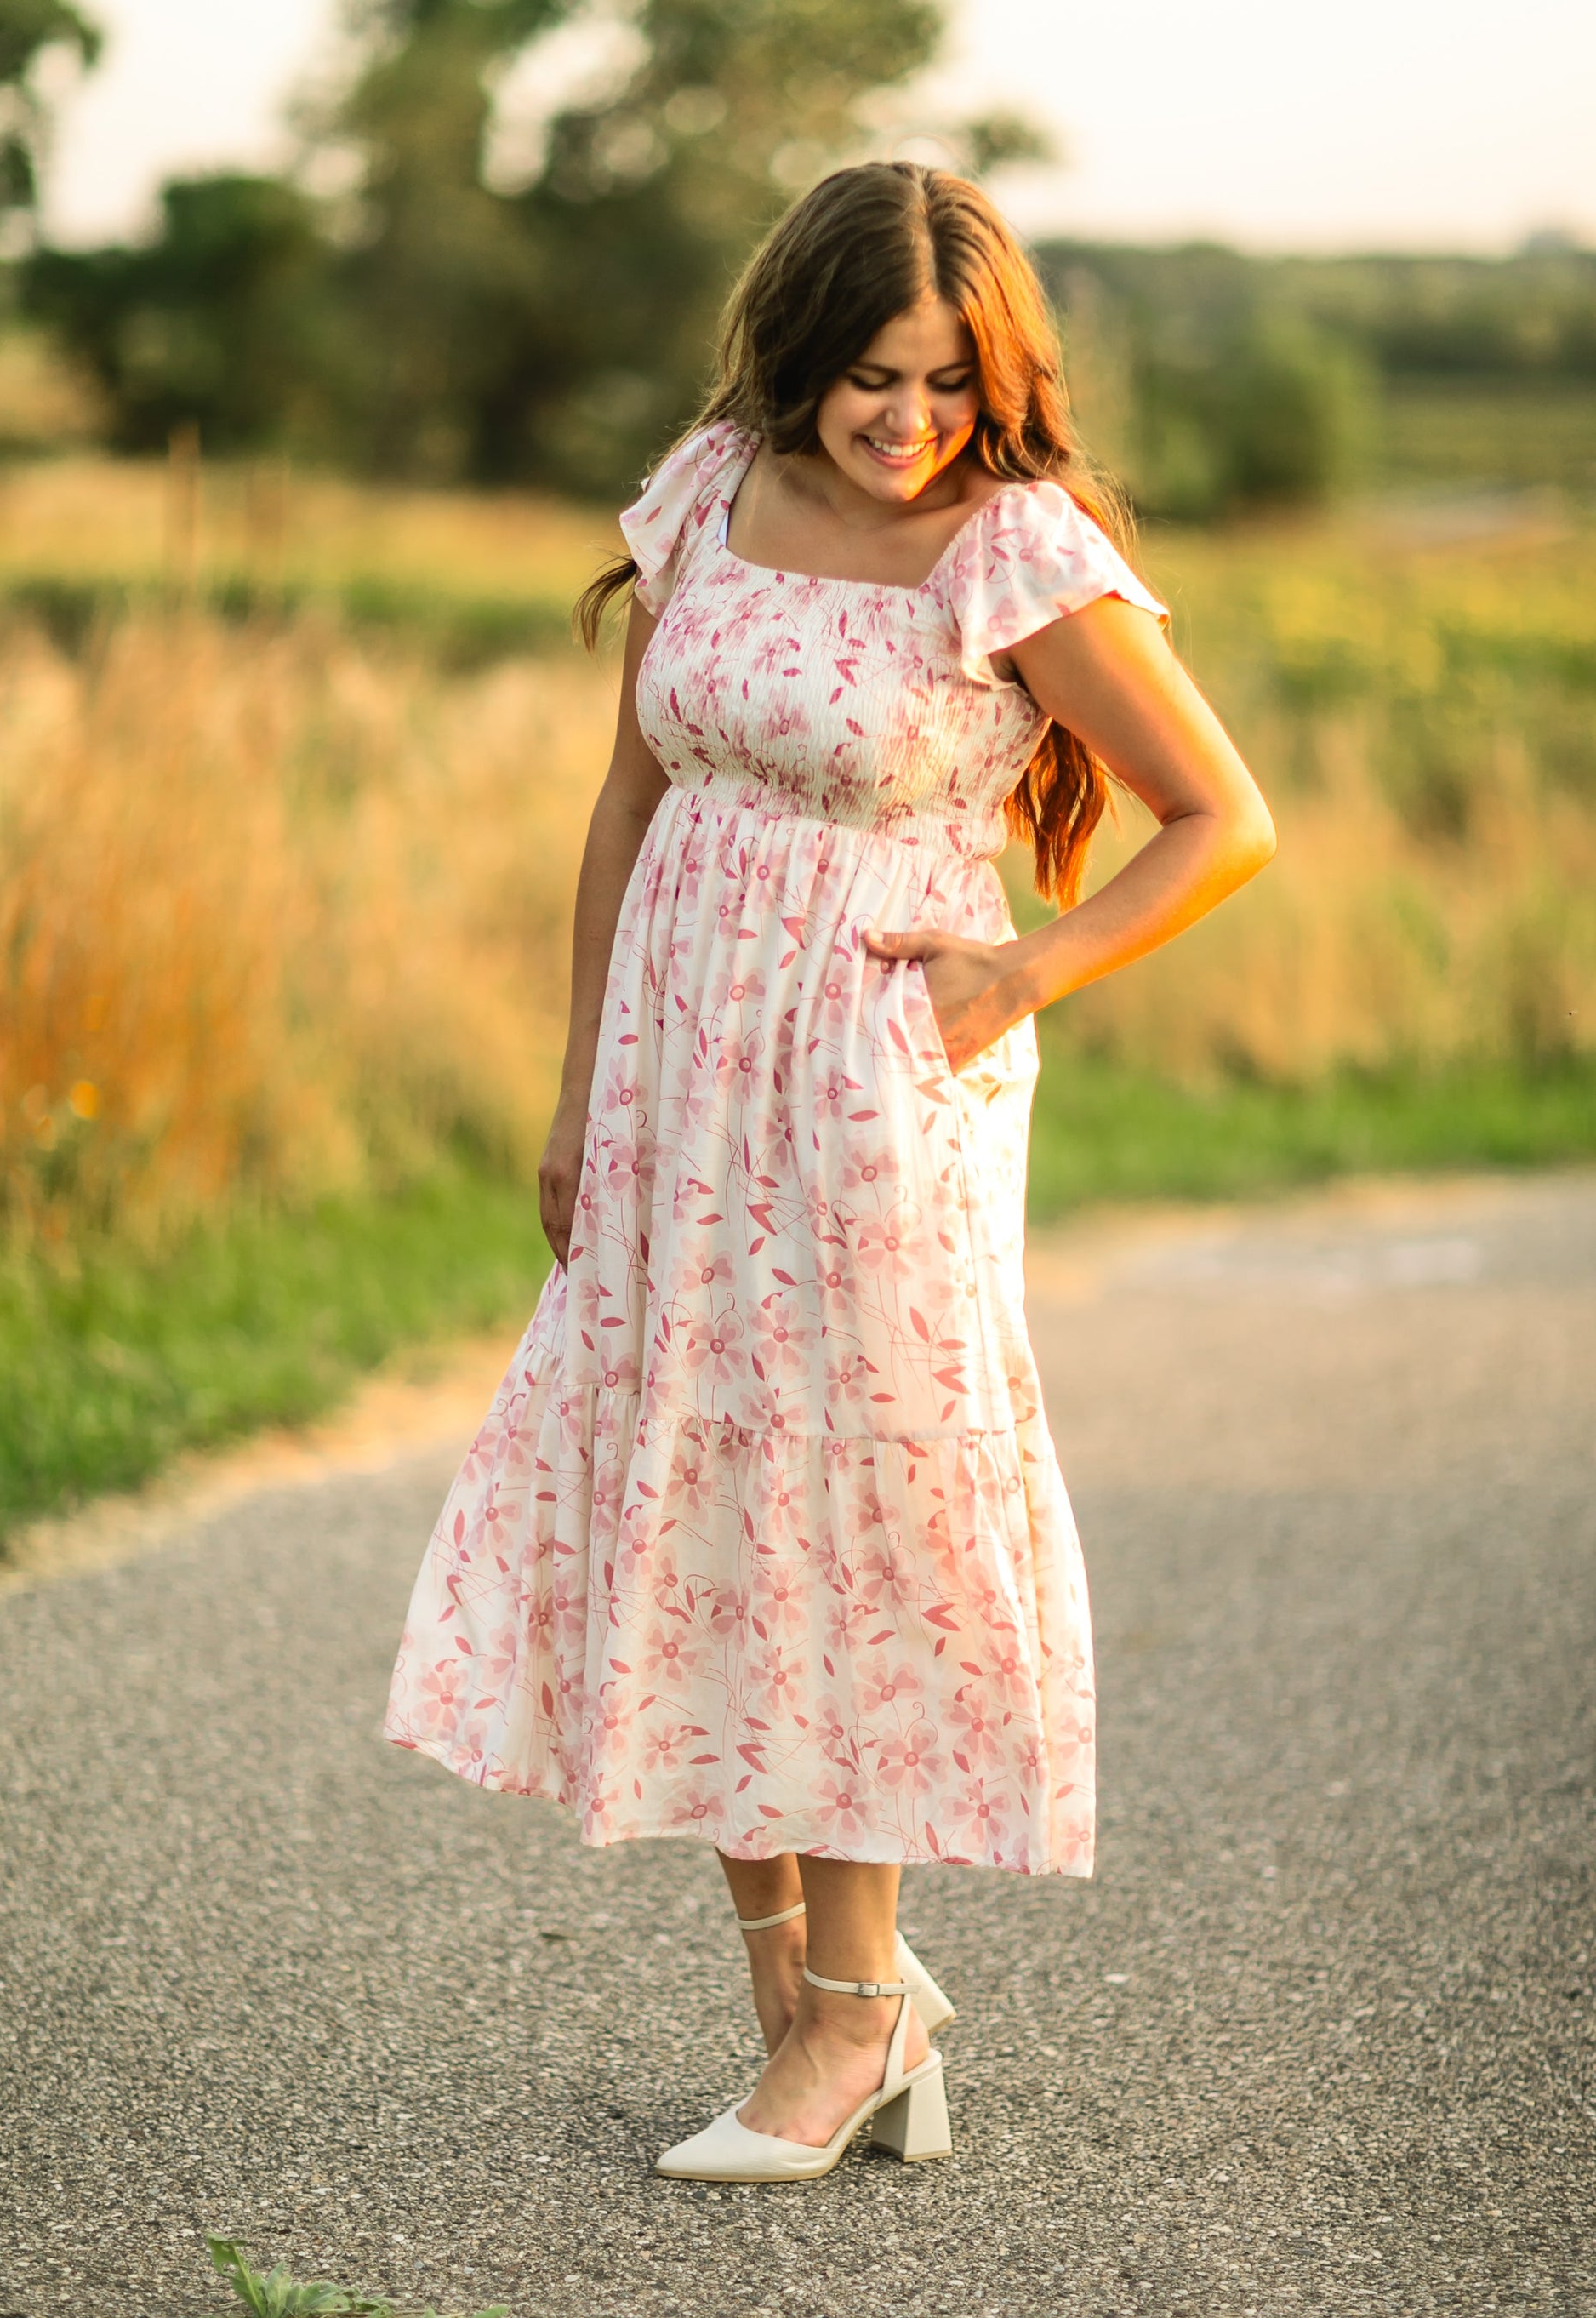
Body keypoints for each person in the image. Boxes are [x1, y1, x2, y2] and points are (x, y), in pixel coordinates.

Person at [385, 160, 1275, 2184]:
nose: (911, 420)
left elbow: (1221, 819)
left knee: (845, 1506)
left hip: (879, 1086)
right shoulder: (709, 491)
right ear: (799, 353)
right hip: (674, 1076)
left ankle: (862, 2004)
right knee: (696, 1483)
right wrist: (580, 1086)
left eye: (953, 382)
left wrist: (1018, 974)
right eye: (877, 375)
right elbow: (627, 805)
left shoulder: (1013, 549)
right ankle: (805, 2007)